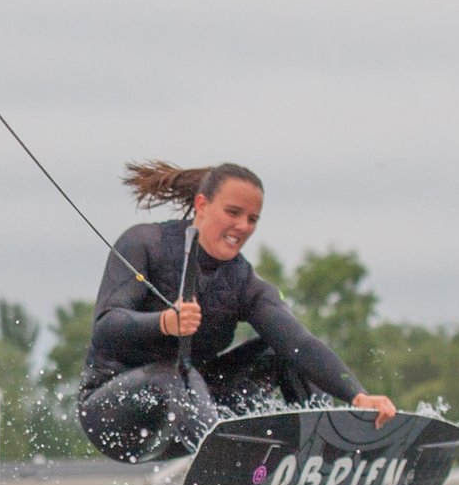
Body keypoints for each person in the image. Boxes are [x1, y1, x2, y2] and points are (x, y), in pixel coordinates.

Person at [76, 161, 397, 463]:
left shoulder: (243, 283)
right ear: (202, 205)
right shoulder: (145, 243)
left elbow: (300, 343)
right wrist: (165, 322)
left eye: (252, 219)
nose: (242, 226)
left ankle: (321, 461)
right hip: (114, 416)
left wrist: (357, 396)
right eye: (233, 212)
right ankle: (227, 466)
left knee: (280, 353)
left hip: (191, 416)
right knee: (173, 374)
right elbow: (107, 326)